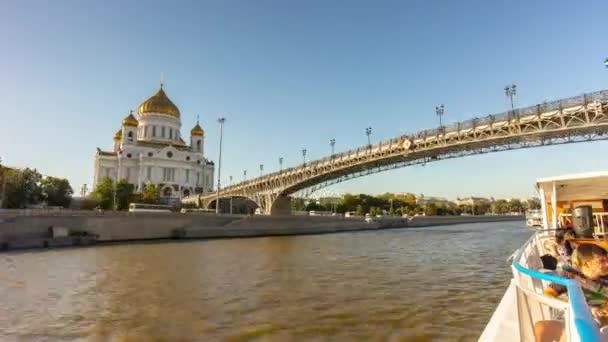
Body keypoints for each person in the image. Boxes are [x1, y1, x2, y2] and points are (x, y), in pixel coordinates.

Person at [536, 244, 608, 341]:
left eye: (607, 259)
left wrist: (603, 309)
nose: (607, 264)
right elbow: (548, 295)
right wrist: (588, 309)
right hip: (574, 316)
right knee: (542, 327)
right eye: (602, 261)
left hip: (600, 322)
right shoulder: (570, 276)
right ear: (587, 264)